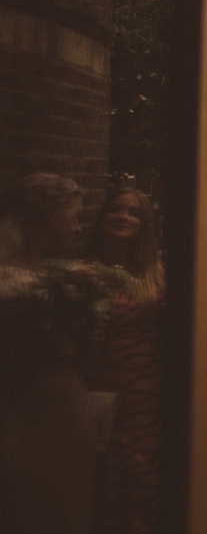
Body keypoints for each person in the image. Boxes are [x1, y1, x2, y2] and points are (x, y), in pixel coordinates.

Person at [0, 174, 97, 534]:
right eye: (71, 216)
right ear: (47, 216)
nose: (76, 226)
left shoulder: (54, 272)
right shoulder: (13, 277)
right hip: (27, 414)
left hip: (61, 413)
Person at [86, 188, 166, 534]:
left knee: (140, 472)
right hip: (94, 384)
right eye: (116, 210)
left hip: (142, 390)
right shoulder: (84, 271)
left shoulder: (156, 273)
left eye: (132, 212)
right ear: (103, 218)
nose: (123, 217)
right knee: (100, 474)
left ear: (143, 223)